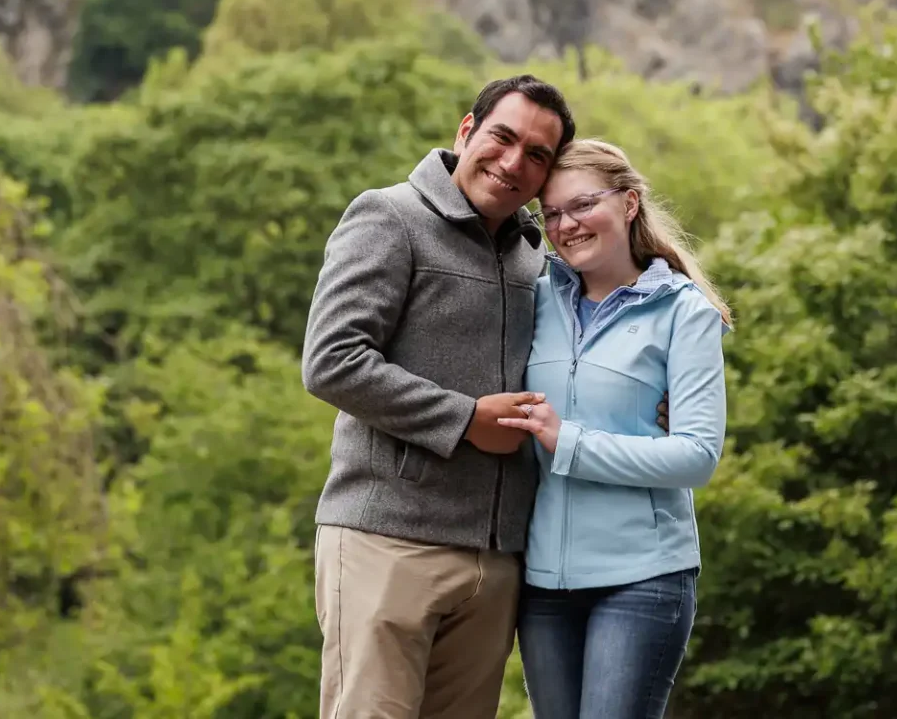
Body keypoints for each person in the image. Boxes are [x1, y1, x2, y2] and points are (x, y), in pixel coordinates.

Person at [301, 75, 578, 719]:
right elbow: (331, 361)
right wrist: (463, 419)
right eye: (502, 138)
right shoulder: (388, 216)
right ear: (466, 130)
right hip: (386, 540)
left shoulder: (538, 259)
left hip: (497, 560)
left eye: (536, 155)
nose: (513, 163)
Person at [496, 138, 732, 719]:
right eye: (550, 213)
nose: (565, 225)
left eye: (582, 205)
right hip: (544, 583)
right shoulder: (534, 294)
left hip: (643, 577)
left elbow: (696, 455)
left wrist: (568, 440)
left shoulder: (684, 312)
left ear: (629, 204)